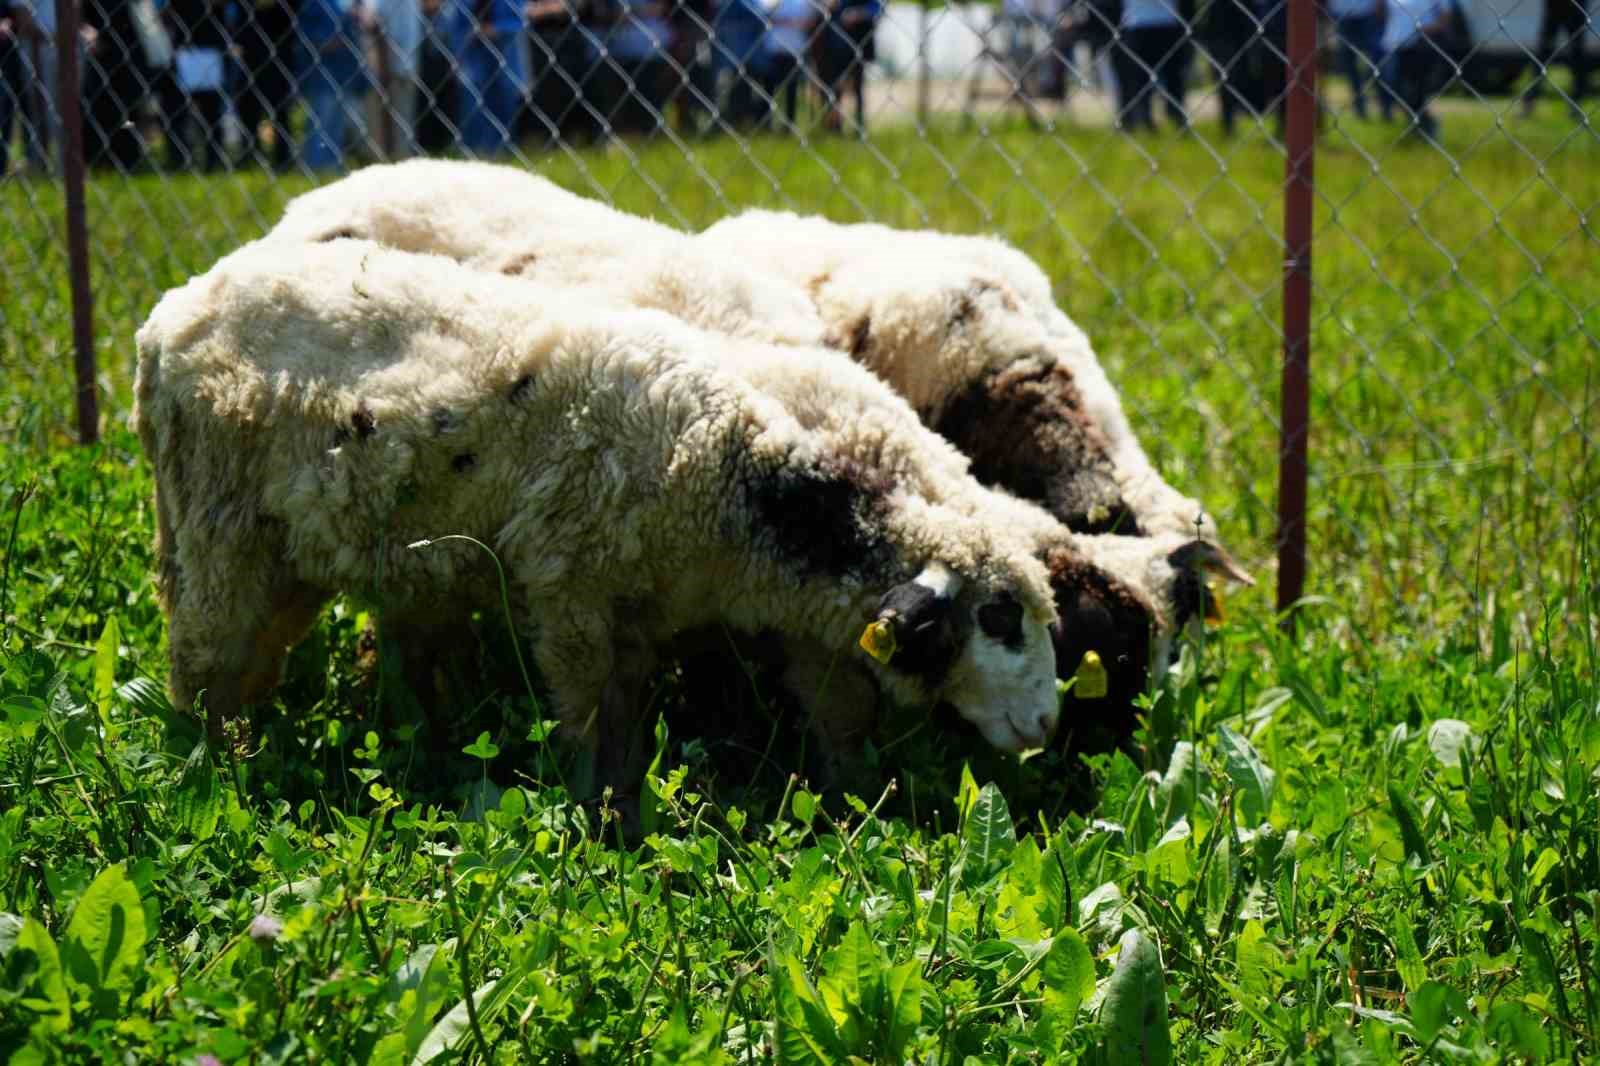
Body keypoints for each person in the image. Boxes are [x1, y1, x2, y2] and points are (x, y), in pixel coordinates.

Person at [445, 0, 528, 154]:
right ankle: (472, 149)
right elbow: (457, 25)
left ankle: (503, 149)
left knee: (504, 100)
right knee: (471, 102)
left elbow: (518, 19)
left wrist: (495, 29)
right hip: (473, 51)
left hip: (504, 50)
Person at [298, 0, 372, 169]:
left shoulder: (353, 3)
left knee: (337, 124)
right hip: (323, 74)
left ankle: (331, 166)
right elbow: (308, 35)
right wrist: (329, 41)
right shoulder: (316, 3)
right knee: (321, 121)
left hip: (346, 72)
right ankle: (315, 165)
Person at [82, 0, 156, 168]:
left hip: (132, 49)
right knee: (101, 106)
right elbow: (82, 13)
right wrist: (88, 31)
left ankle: (128, 158)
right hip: (101, 52)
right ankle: (100, 158)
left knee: (130, 109)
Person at [163, 0, 232, 169]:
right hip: (181, 47)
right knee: (177, 109)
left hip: (210, 47)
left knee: (210, 109)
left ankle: (213, 160)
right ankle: (179, 159)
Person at [1109, 0, 1192, 130]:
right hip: (1137, 24)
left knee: (1173, 78)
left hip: (1166, 23)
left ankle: (1176, 117)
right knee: (1139, 79)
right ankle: (1143, 120)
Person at [235, 0, 299, 169]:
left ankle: (282, 158)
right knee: (247, 104)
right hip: (249, 51)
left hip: (279, 50)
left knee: (279, 107)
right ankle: (249, 155)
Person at [1379, 0, 1451, 138]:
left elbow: (1445, 17)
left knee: (1415, 91)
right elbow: (1384, 13)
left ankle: (1425, 125)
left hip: (1420, 45)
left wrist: (1427, 29)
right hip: (1393, 44)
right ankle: (1418, 124)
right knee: (1392, 85)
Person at [597, 0, 670, 133]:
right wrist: (636, 12)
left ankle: (648, 129)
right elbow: (605, 14)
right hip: (617, 49)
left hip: (650, 49)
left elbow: (658, 8)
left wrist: (629, 13)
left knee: (648, 90)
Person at [371, 0, 423, 155]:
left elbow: (400, 33)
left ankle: (400, 160)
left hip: (397, 68)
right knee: (387, 126)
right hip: (389, 67)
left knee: (400, 125)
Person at [815, 0, 876, 130]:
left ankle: (859, 126)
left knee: (857, 88)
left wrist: (858, 14)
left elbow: (875, 8)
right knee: (833, 90)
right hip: (833, 49)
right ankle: (834, 127)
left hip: (856, 46)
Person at [1, 0, 46, 173]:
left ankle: (28, 161)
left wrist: (8, 22)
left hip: (9, 56)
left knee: (15, 108)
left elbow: (15, 14)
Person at [1523, 0, 1590, 114]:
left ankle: (1576, 103)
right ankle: (1530, 100)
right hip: (1555, 5)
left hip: (1575, 6)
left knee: (1576, 54)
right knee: (1544, 52)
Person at [755, 0, 814, 127]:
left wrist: (782, 21)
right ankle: (766, 124)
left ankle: (789, 124)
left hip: (794, 51)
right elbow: (765, 15)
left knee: (791, 89)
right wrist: (791, 22)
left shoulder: (802, 3)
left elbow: (808, 22)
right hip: (772, 50)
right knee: (768, 88)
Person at [1324, 0, 1386, 118]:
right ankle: (1360, 107)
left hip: (1367, 13)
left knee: (1376, 62)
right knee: (1349, 65)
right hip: (1341, 15)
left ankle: (1385, 105)